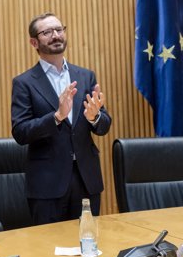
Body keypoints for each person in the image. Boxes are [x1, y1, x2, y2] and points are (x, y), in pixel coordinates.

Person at [11, 13, 111, 225]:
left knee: (88, 244)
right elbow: (20, 132)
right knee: (48, 248)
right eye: (47, 32)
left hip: (86, 179)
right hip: (47, 183)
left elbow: (104, 126)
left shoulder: (85, 76)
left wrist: (95, 118)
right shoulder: (24, 82)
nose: (56, 35)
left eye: (59, 29)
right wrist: (56, 117)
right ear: (34, 42)